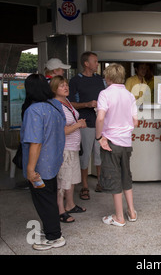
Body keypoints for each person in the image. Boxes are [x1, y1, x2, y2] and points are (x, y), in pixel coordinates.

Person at [20, 74, 66, 250]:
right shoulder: (55, 105)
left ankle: (54, 237)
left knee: (44, 201)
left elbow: (36, 142)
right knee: (50, 198)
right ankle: (51, 229)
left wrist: (31, 169)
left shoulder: (34, 110)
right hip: (53, 161)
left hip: (40, 166)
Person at [95, 63, 138, 226]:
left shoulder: (105, 94)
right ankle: (132, 212)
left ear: (108, 77)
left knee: (114, 178)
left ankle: (119, 217)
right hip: (126, 142)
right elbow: (135, 121)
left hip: (111, 142)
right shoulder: (129, 95)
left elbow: (100, 118)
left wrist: (99, 137)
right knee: (126, 176)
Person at [68, 51, 106, 200]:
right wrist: (87, 104)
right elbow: (70, 105)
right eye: (95, 61)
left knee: (99, 153)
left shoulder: (100, 80)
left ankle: (100, 181)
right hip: (85, 123)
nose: (97, 64)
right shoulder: (75, 81)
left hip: (100, 122)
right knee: (84, 156)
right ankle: (84, 185)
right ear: (86, 63)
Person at [50, 76, 87, 223]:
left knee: (70, 179)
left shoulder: (67, 102)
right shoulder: (55, 105)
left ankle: (70, 204)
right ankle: (60, 210)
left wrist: (78, 123)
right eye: (61, 86)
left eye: (66, 85)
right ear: (54, 89)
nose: (66, 87)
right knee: (62, 181)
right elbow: (60, 130)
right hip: (64, 149)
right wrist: (78, 125)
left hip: (73, 147)